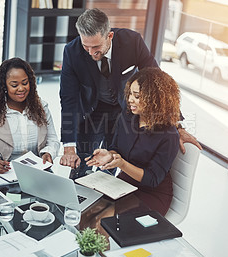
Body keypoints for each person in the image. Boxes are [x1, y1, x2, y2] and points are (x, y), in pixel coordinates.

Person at [59, 8, 201, 177]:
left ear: (109, 36)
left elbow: (157, 81)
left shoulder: (132, 42)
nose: (90, 53)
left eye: (96, 46)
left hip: (124, 112)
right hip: (92, 112)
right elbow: (68, 98)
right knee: (83, 164)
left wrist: (176, 124)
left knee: (110, 163)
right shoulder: (71, 52)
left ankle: (103, 197)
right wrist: (68, 145)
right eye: (86, 46)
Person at [86, 68, 181, 215]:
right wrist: (109, 155)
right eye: (130, 93)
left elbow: (152, 179)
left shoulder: (169, 135)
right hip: (124, 183)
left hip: (151, 195)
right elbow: (116, 148)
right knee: (88, 211)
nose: (130, 99)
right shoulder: (127, 117)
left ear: (154, 99)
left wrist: (122, 164)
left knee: (102, 219)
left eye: (136, 96)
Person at [0, 57, 60, 174]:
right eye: (14, 85)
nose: (21, 88)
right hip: (1, 175)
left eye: (25, 83)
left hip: (34, 172)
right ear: (4, 86)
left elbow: (53, 140)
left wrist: (48, 152)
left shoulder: (41, 107)